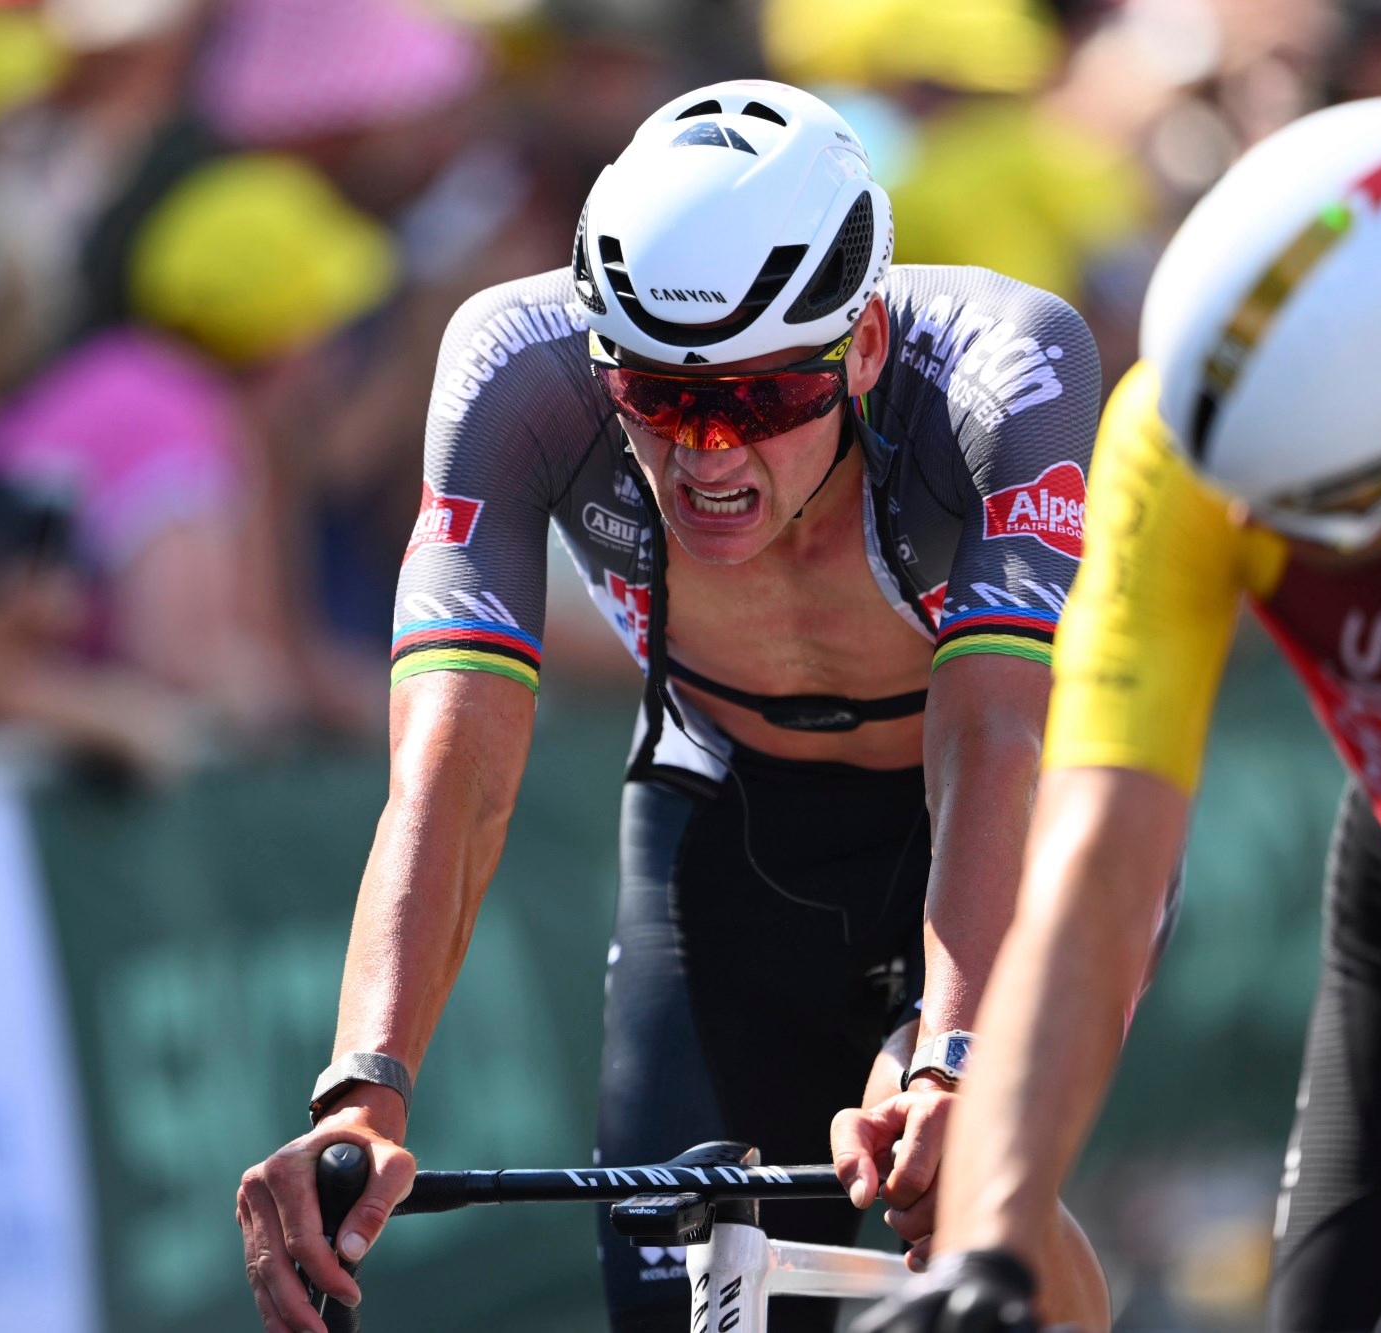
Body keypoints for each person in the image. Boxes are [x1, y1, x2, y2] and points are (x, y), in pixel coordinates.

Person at [237, 80, 1112, 1333]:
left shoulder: (1003, 363)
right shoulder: (510, 365)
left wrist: (952, 1056)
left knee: (978, 1203)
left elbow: (993, 737)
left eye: (759, 400)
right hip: (727, 821)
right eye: (655, 398)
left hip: (995, 816)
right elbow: (449, 771)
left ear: (860, 343)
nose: (707, 456)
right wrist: (361, 1094)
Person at [859, 92, 1381, 1333]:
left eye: (1329, 506)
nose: (1271, 534)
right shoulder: (1184, 447)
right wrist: (985, 1262)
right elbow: (1095, 864)